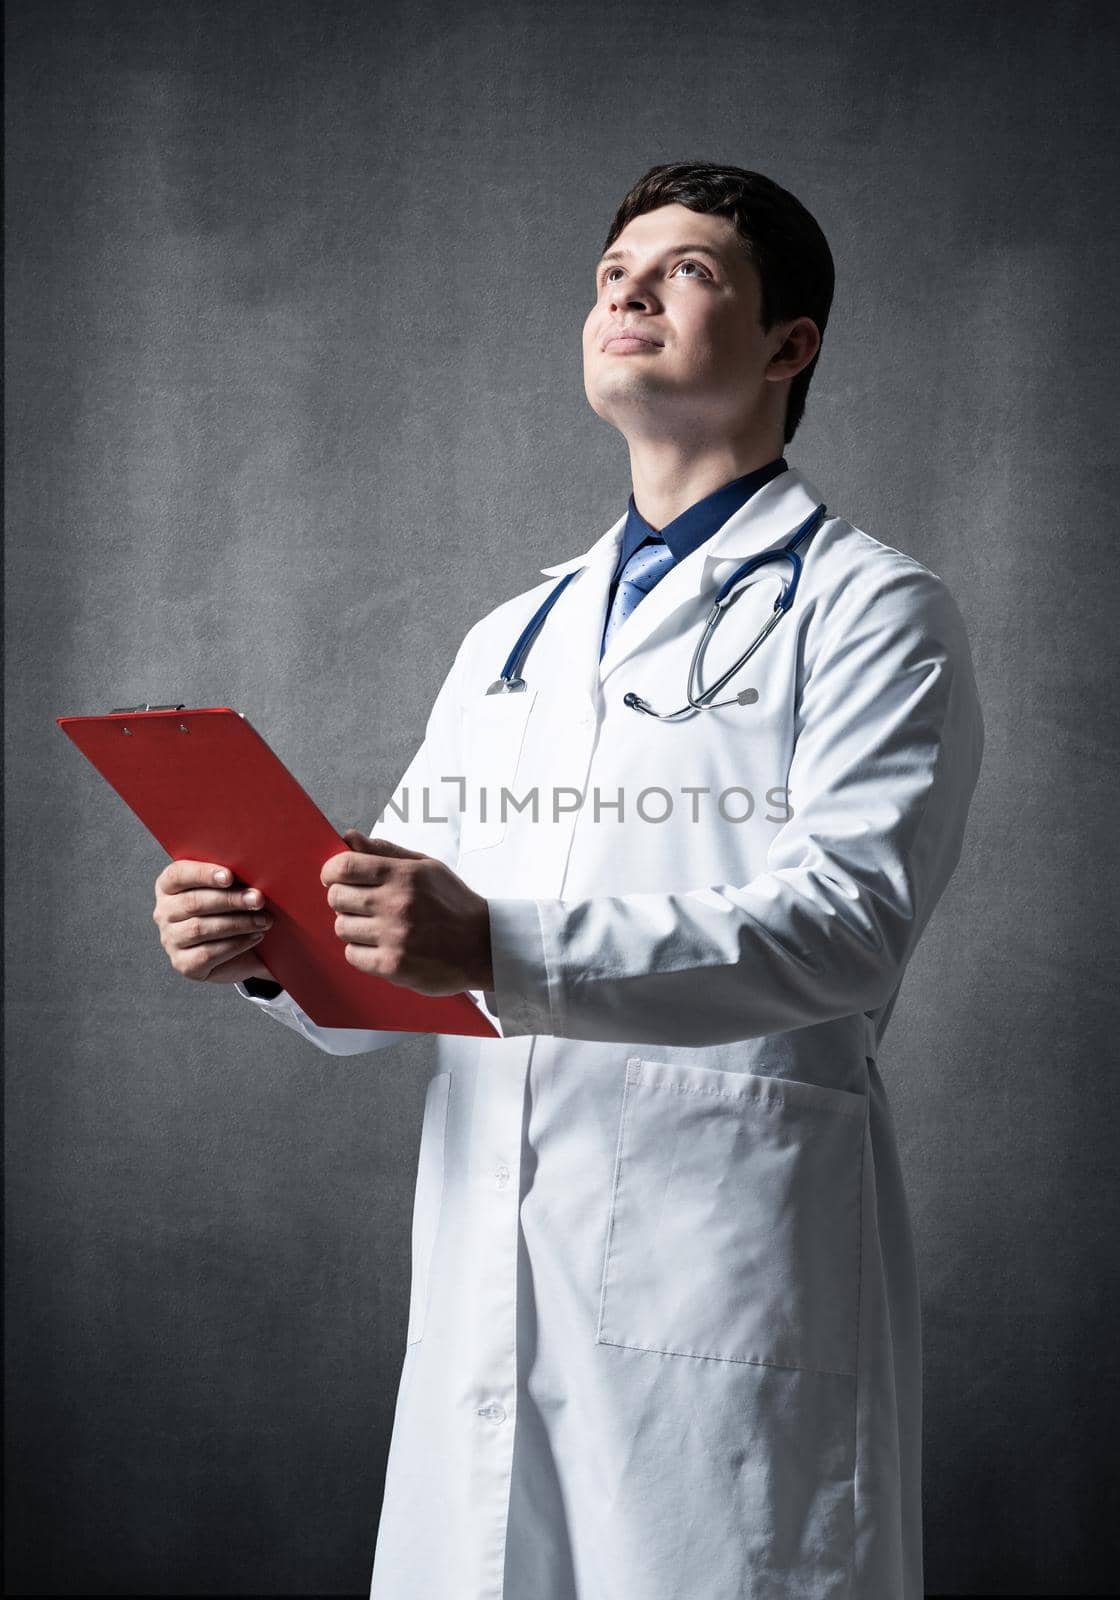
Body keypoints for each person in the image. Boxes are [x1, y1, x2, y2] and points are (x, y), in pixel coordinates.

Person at [152, 161, 984, 1598]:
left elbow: (849, 929)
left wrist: (494, 937)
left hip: (719, 1269)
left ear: (793, 345)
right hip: (491, 1265)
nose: (629, 288)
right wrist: (272, 941)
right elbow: (392, 953)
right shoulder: (511, 639)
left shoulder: (872, 609)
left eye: (690, 270)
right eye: (614, 271)